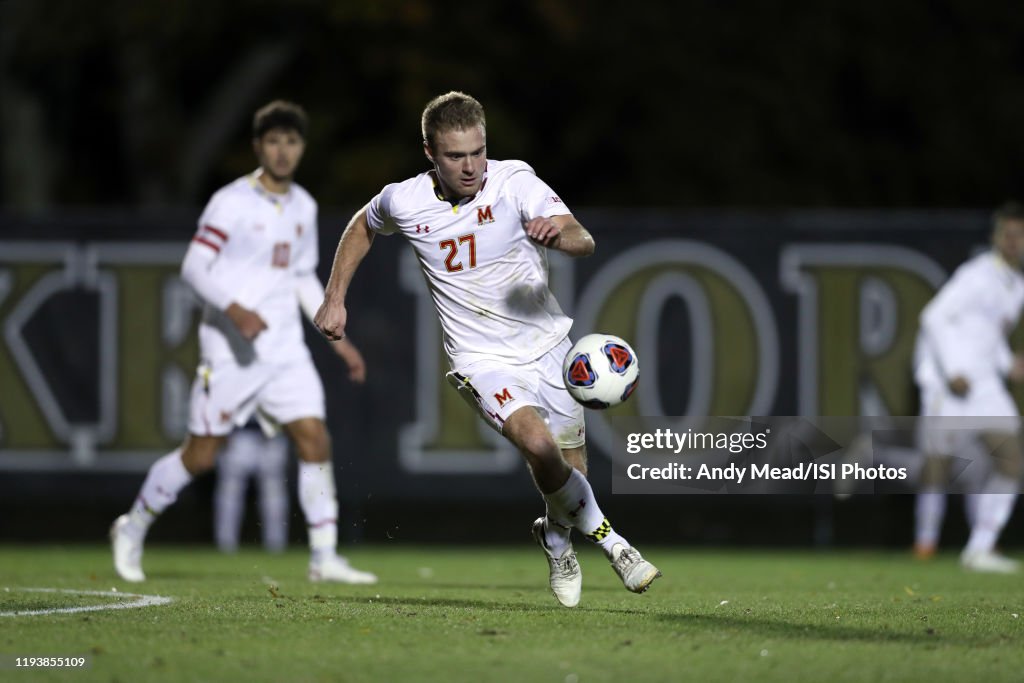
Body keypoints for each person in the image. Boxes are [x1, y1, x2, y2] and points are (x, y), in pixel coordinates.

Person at [314, 91, 660, 607]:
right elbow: (363, 225)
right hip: (480, 361)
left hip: (550, 350)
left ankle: (556, 536)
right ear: (430, 152)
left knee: (567, 469)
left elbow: (581, 237)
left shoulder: (515, 180)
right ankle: (615, 544)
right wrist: (334, 297)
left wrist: (560, 237)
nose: (472, 166)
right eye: (456, 156)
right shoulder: (404, 200)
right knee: (539, 448)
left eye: (478, 151)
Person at [110, 100, 376, 584]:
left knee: (314, 438)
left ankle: (324, 556)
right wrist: (235, 310)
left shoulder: (304, 206)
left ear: (301, 148)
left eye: (291, 142)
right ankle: (132, 527)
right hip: (229, 350)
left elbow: (300, 277)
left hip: (284, 351)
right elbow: (193, 267)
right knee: (202, 455)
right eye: (273, 141)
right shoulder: (231, 201)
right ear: (259, 146)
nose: (282, 151)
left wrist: (339, 341)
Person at [912, 201, 1024, 573]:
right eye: (1009, 234)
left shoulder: (1016, 286)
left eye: (1020, 235)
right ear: (996, 237)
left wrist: (1009, 365)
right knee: (937, 469)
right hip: (952, 384)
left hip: (985, 386)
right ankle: (925, 543)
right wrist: (953, 368)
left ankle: (980, 547)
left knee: (1012, 458)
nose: (1015, 241)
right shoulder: (977, 275)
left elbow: (989, 337)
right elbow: (933, 316)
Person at [214, 423, 290, 553]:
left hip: (268, 436)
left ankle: (276, 544)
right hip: (239, 434)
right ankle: (225, 544)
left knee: (273, 494)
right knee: (231, 492)